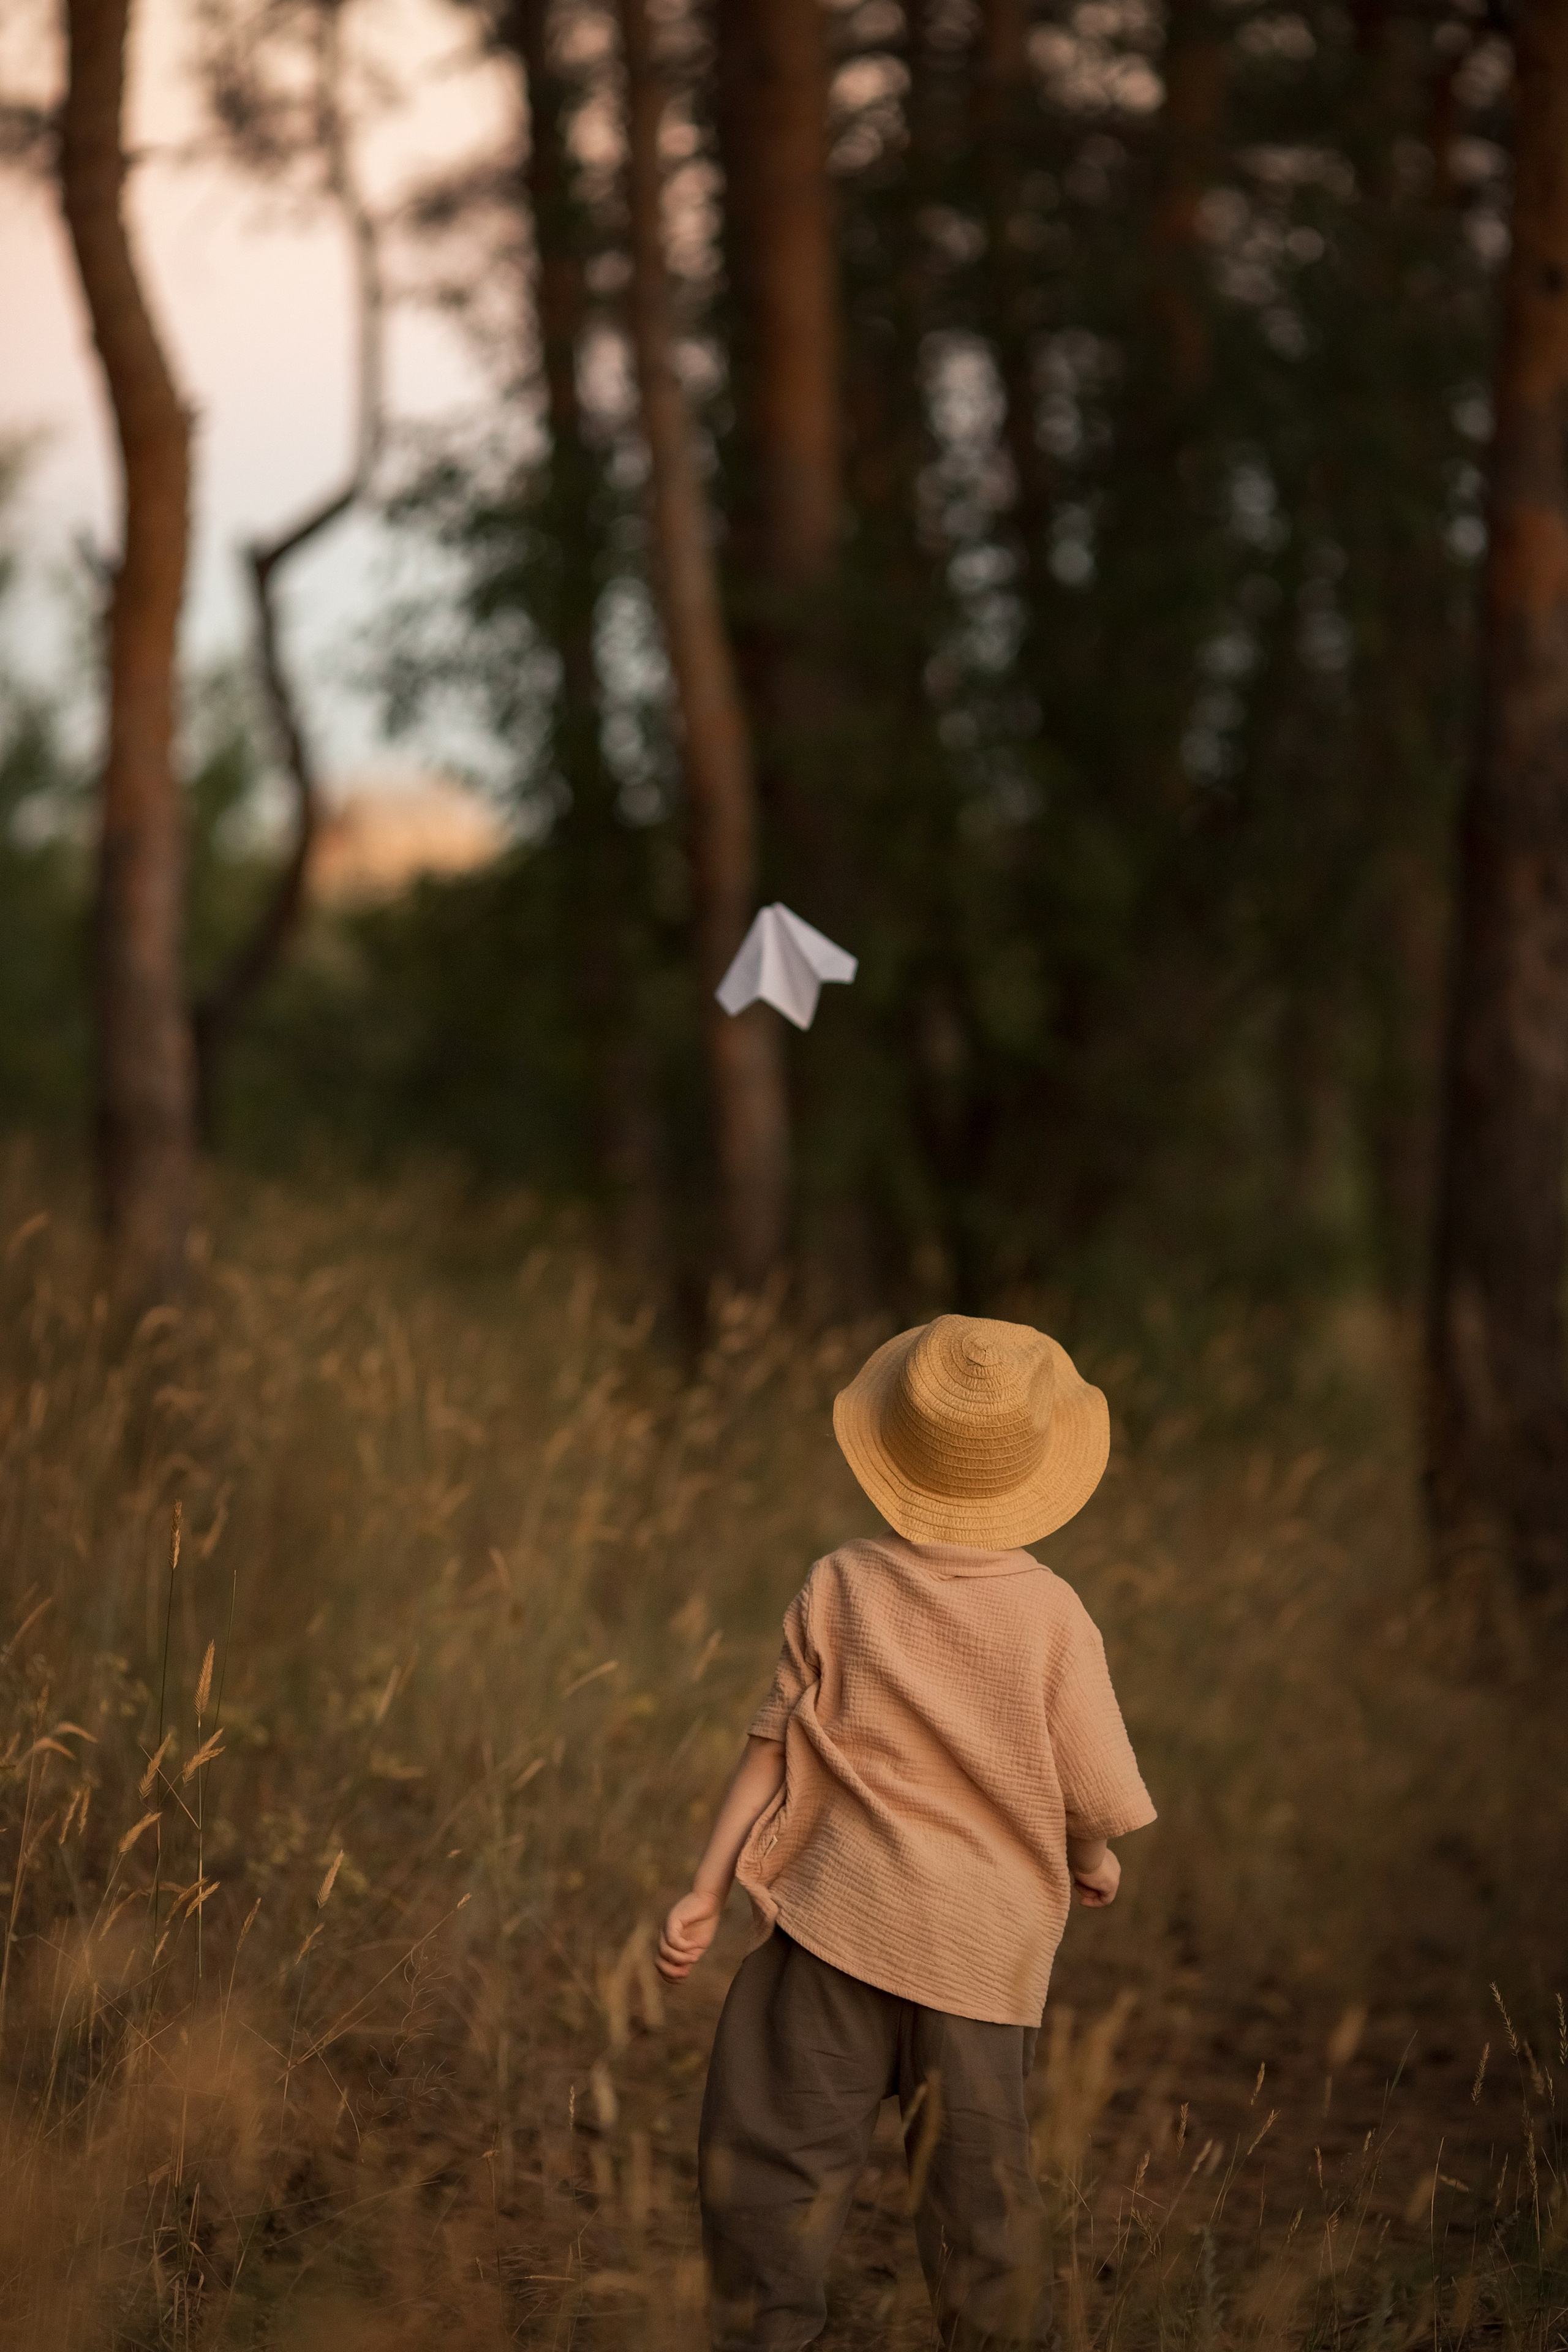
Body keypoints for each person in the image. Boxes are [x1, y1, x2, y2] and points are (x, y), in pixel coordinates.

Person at [657, 1313, 1156, 2352]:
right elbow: (1095, 1788)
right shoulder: (1054, 1614)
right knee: (981, 2209)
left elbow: (770, 1747)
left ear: (895, 1450)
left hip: (833, 1922)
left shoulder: (840, 1581)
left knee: (768, 2173)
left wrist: (705, 1888)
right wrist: (1089, 1856)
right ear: (1034, 1467)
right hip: (979, 1957)